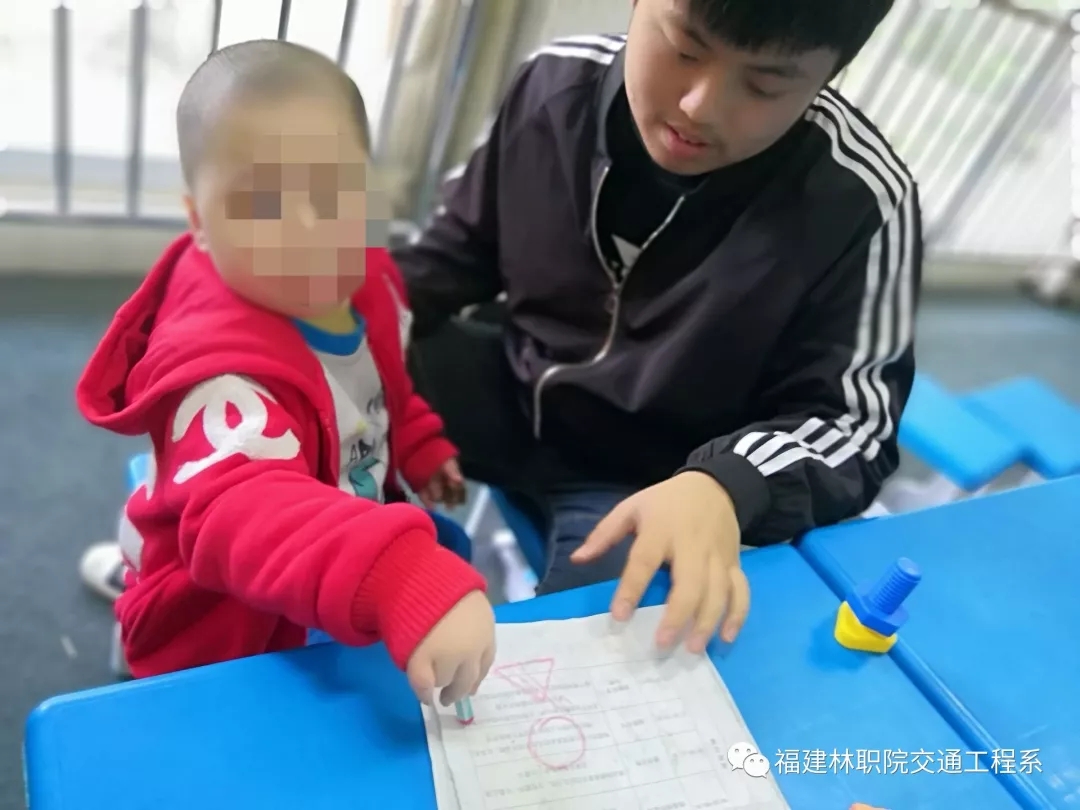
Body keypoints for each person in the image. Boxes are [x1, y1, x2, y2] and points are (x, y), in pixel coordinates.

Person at [398, 0, 921, 654]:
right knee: (317, 373)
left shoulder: (858, 199)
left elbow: (853, 425)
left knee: (610, 657)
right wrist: (332, 311)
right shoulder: (552, 83)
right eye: (684, 49)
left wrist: (725, 485)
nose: (700, 106)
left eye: (764, 85)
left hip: (654, 481)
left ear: (828, 77)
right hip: (513, 379)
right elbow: (454, 252)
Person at [75, 39, 495, 705]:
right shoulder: (220, 378)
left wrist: (416, 441)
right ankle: (139, 604)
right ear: (200, 222)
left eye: (333, 192)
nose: (307, 230)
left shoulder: (370, 279)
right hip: (230, 608)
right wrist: (399, 576)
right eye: (261, 204)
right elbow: (248, 512)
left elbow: (383, 383)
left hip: (335, 525)